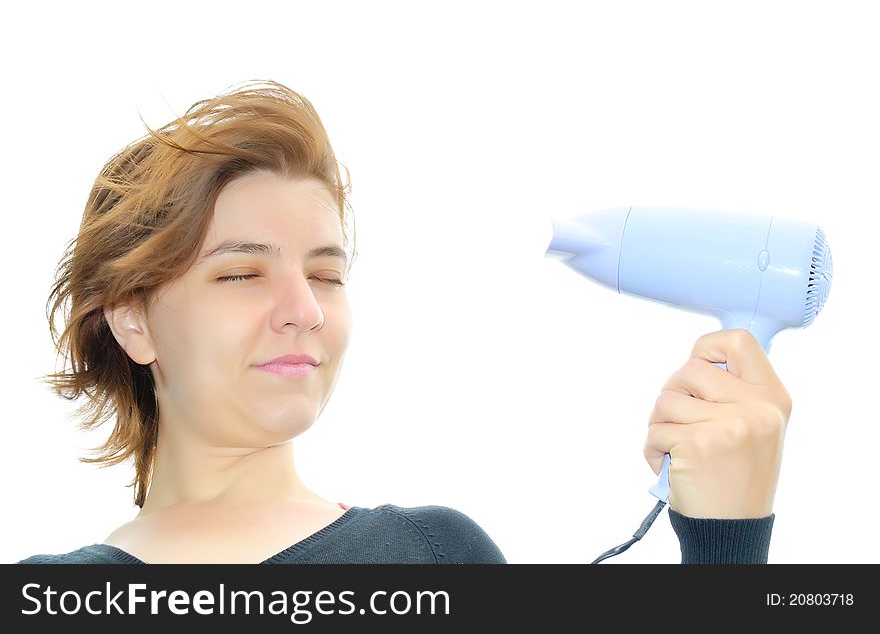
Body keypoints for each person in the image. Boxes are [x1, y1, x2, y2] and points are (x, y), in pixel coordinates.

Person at [17, 80, 791, 564]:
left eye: (325, 273)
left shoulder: (431, 556)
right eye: (242, 274)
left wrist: (726, 539)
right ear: (133, 322)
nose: (305, 310)